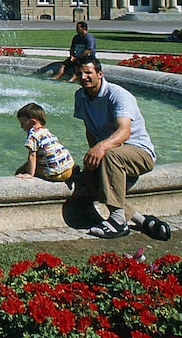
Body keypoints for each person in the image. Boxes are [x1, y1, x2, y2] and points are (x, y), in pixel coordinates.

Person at [70, 56, 171, 240]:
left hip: (138, 152)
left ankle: (117, 222)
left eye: (88, 72)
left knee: (111, 155)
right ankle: (142, 221)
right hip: (111, 154)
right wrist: (93, 159)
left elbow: (124, 131)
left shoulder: (118, 95)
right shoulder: (80, 96)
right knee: (89, 180)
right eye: (79, 73)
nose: (83, 77)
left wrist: (100, 148)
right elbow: (90, 130)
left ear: (100, 74)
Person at [14, 102, 74, 182]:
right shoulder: (47, 132)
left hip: (55, 174)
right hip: (69, 170)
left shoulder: (33, 135)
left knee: (22, 169)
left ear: (33, 122)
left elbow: (32, 155)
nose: (21, 126)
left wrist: (30, 174)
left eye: (22, 123)